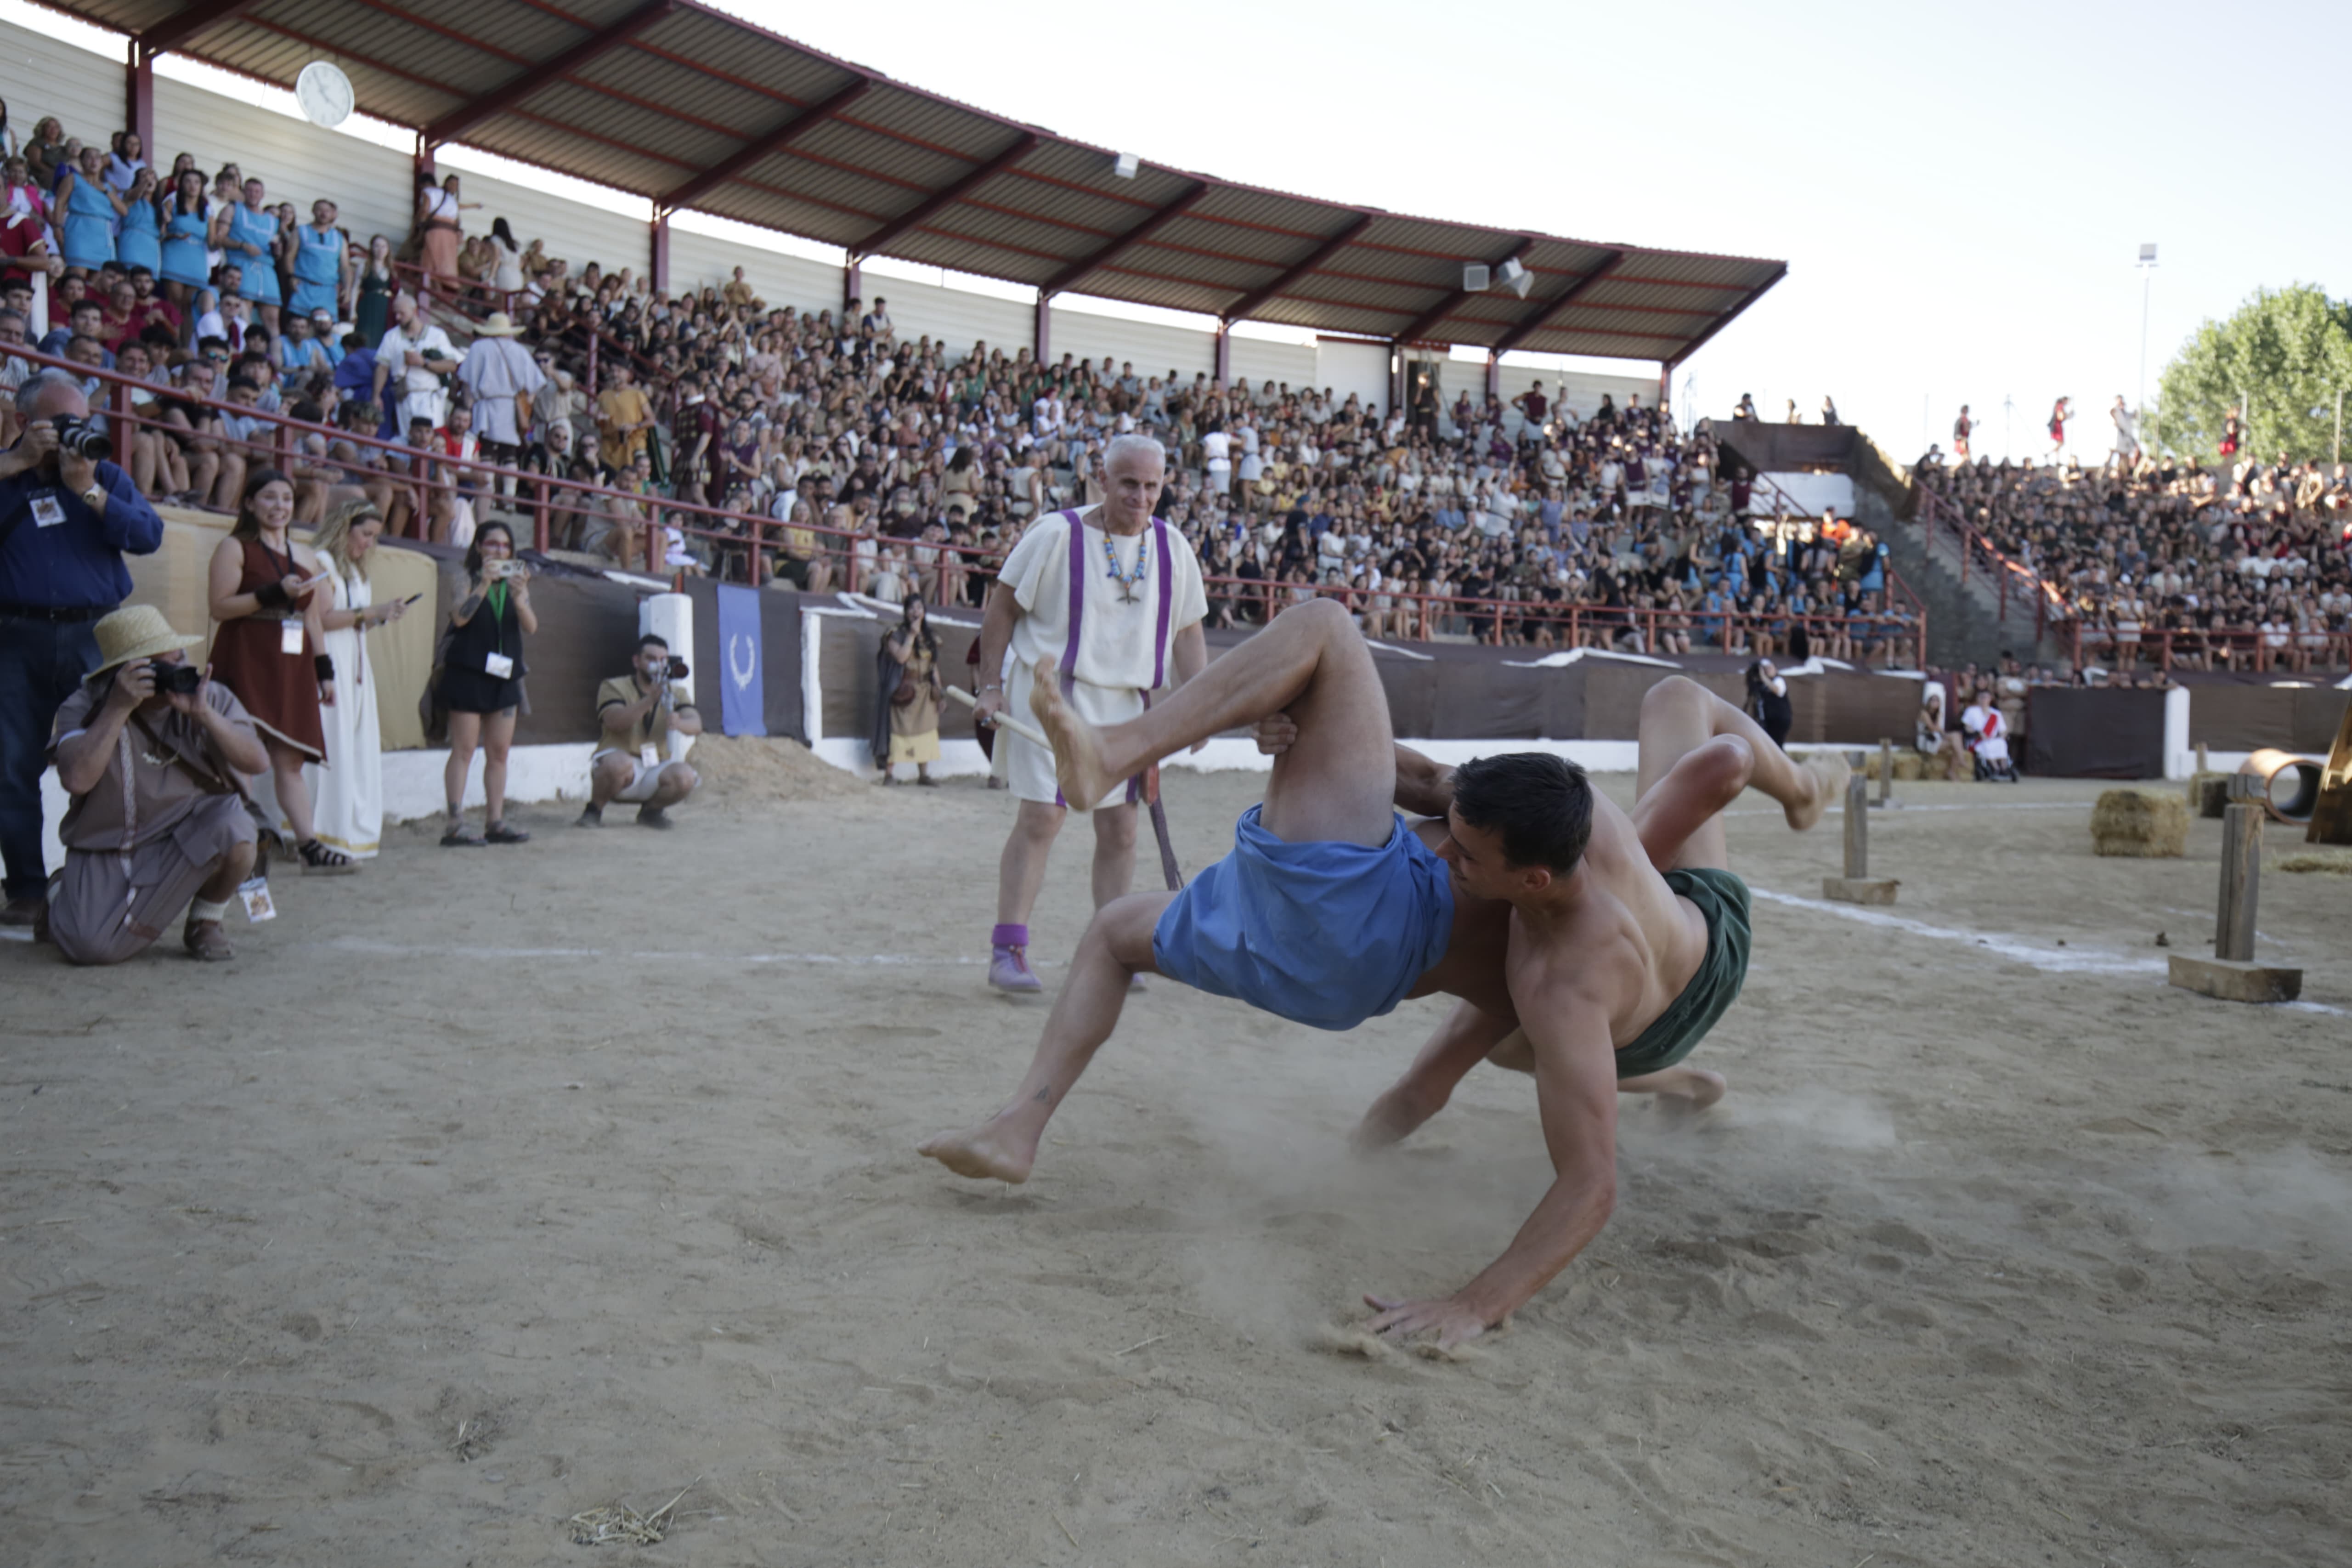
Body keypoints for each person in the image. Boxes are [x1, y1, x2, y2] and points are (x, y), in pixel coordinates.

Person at [920, 601, 1844, 1347]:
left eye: (1466, 854)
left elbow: (1588, 1181)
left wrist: (1477, 1301)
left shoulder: (1561, 962)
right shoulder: (1554, 869)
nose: (1443, 854)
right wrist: (1304, 727)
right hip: (1654, 968)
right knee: (1675, 706)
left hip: (1676, 956)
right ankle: (1691, 1054)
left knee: (1674, 723)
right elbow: (1446, 802)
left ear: (1534, 879)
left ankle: (1117, 749)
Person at [968, 433, 1208, 992]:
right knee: (1041, 819)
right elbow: (1002, 605)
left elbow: (1188, 630)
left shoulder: (1173, 546)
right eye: (1128, 483)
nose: (1140, 495)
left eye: (1151, 485)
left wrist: (1199, 704)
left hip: (1128, 708)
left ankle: (1115, 949)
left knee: (1121, 829)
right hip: (1050, 695)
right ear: (1101, 479)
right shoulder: (1054, 533)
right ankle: (1008, 949)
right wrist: (990, 685)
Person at [0, 369, 164, 925]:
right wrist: (18, 462)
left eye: (83, 422)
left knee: (105, 761)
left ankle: (98, 885)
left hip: (95, 636)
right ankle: (25, 889)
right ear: (25, 422)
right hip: (14, 636)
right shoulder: (9, 475)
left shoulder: (105, 475)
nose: (76, 433)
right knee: (11, 766)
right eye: (63, 423)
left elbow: (148, 536)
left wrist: (88, 490)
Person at [43, 606, 266, 962]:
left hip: (188, 830)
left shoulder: (207, 695)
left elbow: (258, 761)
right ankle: (60, 892)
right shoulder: (85, 705)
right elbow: (77, 779)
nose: (176, 672)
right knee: (90, 949)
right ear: (126, 672)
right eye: (161, 667)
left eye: (178, 658)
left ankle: (205, 922)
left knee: (236, 829)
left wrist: (205, 715)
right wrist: (118, 708)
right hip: (112, 842)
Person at [205, 468, 347, 871]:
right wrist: (271, 592)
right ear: (250, 503)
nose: (280, 506)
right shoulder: (234, 547)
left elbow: (314, 619)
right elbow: (219, 607)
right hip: (247, 653)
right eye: (269, 497)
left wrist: (325, 671)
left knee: (290, 762)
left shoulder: (304, 555)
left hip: (293, 661)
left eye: (286, 498)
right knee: (240, 753)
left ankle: (309, 848)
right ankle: (244, 845)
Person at [303, 501, 410, 861]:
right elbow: (319, 618)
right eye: (365, 534)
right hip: (330, 660)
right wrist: (371, 612)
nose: (369, 544)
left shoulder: (355, 569)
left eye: (374, 537)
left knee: (353, 744)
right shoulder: (322, 562)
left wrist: (380, 616)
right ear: (343, 527)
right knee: (330, 742)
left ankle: (346, 827)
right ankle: (315, 832)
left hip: (356, 664)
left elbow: (354, 619)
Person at [437, 520, 535, 845]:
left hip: (505, 674)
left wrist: (521, 599)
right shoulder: (466, 578)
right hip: (468, 671)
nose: (499, 551)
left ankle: (495, 820)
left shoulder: (515, 583)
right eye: (492, 544)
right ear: (478, 547)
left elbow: (532, 627)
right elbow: (459, 617)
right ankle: (455, 822)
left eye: (505, 546)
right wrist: (484, 585)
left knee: (499, 752)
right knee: (464, 749)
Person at [578, 633, 702, 829]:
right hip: (621, 761)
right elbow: (615, 722)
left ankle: (651, 812)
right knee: (619, 764)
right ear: (637, 661)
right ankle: (594, 810)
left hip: (654, 766)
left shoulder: (675, 692)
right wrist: (649, 701)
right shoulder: (614, 686)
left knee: (686, 776)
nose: (658, 665)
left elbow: (696, 724)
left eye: (663, 660)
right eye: (651, 659)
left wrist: (679, 723)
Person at [453, 311, 543, 492]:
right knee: (509, 452)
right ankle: (509, 496)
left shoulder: (479, 348)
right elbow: (537, 383)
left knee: (486, 449)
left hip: (485, 404)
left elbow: (466, 380)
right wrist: (526, 404)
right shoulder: (520, 350)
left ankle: (489, 493)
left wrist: (468, 405)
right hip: (510, 405)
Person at [874, 591, 943, 785]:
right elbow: (902, 658)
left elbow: (933, 666)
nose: (916, 612)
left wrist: (940, 692)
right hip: (905, 691)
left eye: (919, 608)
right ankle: (889, 775)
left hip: (926, 692)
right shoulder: (896, 635)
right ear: (905, 612)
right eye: (912, 608)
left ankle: (923, 775)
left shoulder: (930, 636)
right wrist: (912, 635)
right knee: (898, 732)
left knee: (927, 731)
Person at [288, 198, 350, 320]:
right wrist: (291, 277)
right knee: (298, 327)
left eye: (327, 211)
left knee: (324, 330)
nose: (324, 213)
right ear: (313, 211)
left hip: (328, 291)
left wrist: (347, 289)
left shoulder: (339, 238)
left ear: (332, 214)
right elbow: (289, 256)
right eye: (320, 210)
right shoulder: (301, 231)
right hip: (304, 288)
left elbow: (345, 267)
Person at [1744, 657, 1792, 747]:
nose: (1768, 671)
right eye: (1765, 669)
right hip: (1768, 720)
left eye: (1770, 668)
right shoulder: (1761, 685)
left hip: (1780, 719)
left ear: (1776, 669)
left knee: (1777, 745)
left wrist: (1763, 678)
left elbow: (1778, 691)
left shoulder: (1778, 680)